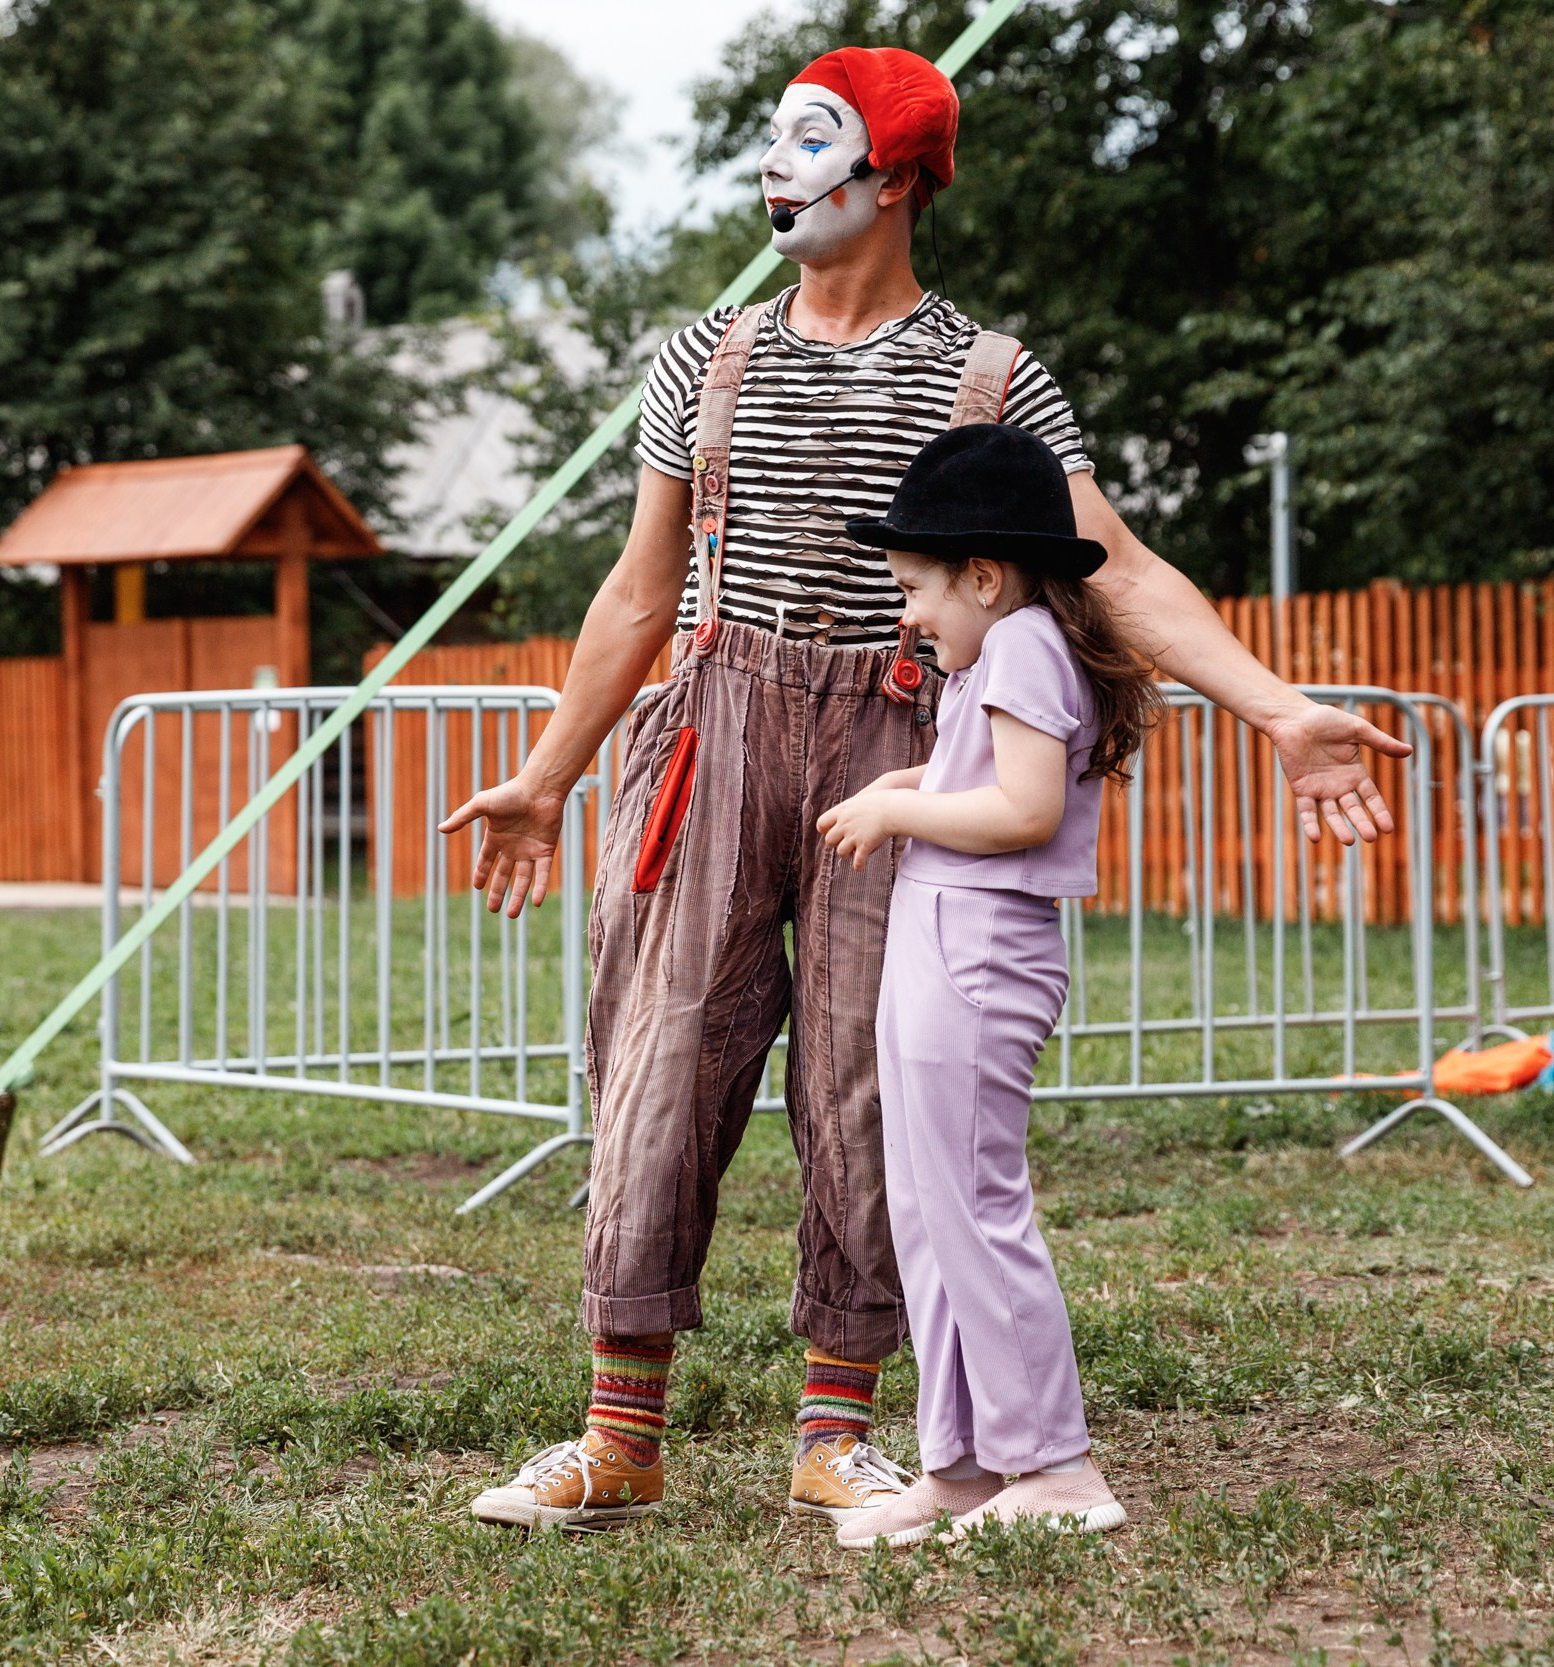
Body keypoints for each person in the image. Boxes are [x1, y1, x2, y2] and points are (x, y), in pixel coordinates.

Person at [448, 44, 1409, 1534]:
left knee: (869, 1082)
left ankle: (838, 1430)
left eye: (810, 141)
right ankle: (617, 1434)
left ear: (892, 174)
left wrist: (1281, 709)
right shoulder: (706, 357)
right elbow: (638, 591)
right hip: (712, 728)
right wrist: (545, 772)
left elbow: (1124, 566)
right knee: (658, 1056)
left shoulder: (991, 376)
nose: (776, 168)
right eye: (771, 140)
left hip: (903, 740)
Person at [818, 423, 1150, 1545]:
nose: (905, 610)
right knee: (927, 1211)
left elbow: (1023, 811)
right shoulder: (999, 651)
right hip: (941, 936)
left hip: (977, 948)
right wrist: (919, 775)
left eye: (914, 585)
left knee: (972, 1203)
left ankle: (1056, 1464)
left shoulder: (1017, 646)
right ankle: (960, 1460)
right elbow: (992, 776)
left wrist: (899, 804)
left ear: (984, 574)